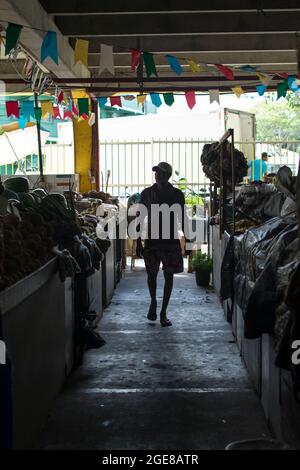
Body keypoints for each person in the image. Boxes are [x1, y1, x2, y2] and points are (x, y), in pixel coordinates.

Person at [136, 162, 186, 327]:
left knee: (169, 276)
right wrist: (138, 242)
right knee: (151, 275)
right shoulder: (147, 193)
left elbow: (183, 218)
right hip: (152, 240)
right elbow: (139, 218)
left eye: (160, 173)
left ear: (168, 176)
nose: (157, 175)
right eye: (156, 172)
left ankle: (163, 312)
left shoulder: (177, 194)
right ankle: (153, 301)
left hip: (170, 241)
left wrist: (189, 241)